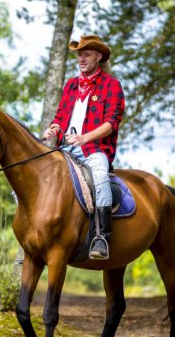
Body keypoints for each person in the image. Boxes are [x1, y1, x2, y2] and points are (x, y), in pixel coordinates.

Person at [43, 35, 125, 260]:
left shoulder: (112, 85)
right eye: (79, 54)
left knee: (100, 179)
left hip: (94, 151)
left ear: (98, 57)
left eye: (86, 54)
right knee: (41, 175)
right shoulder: (70, 85)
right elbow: (60, 117)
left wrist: (84, 138)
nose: (81, 58)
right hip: (66, 149)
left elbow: (111, 123)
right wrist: (54, 129)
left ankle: (101, 237)